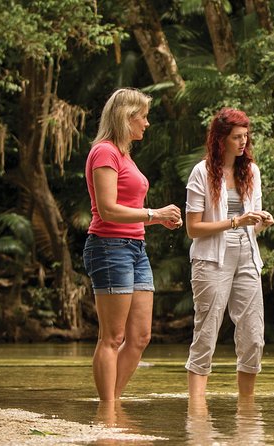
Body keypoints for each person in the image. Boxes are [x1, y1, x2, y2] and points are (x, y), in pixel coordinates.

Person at [83, 87, 182, 401]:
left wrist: (157, 220)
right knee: (112, 337)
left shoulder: (123, 155)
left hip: (135, 249)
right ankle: (108, 410)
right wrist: (154, 213)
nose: (147, 123)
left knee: (139, 336)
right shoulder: (105, 152)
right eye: (143, 116)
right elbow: (108, 208)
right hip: (109, 247)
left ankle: (112, 405)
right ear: (127, 117)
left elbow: (127, 208)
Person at [184, 107, 274, 398]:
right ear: (221, 139)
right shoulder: (202, 172)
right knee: (207, 332)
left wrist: (261, 222)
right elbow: (193, 229)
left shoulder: (251, 171)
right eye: (237, 137)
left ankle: (246, 408)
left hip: (247, 254)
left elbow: (251, 225)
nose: (243, 142)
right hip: (211, 258)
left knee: (254, 336)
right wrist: (236, 221)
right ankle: (196, 410)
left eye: (245, 136)